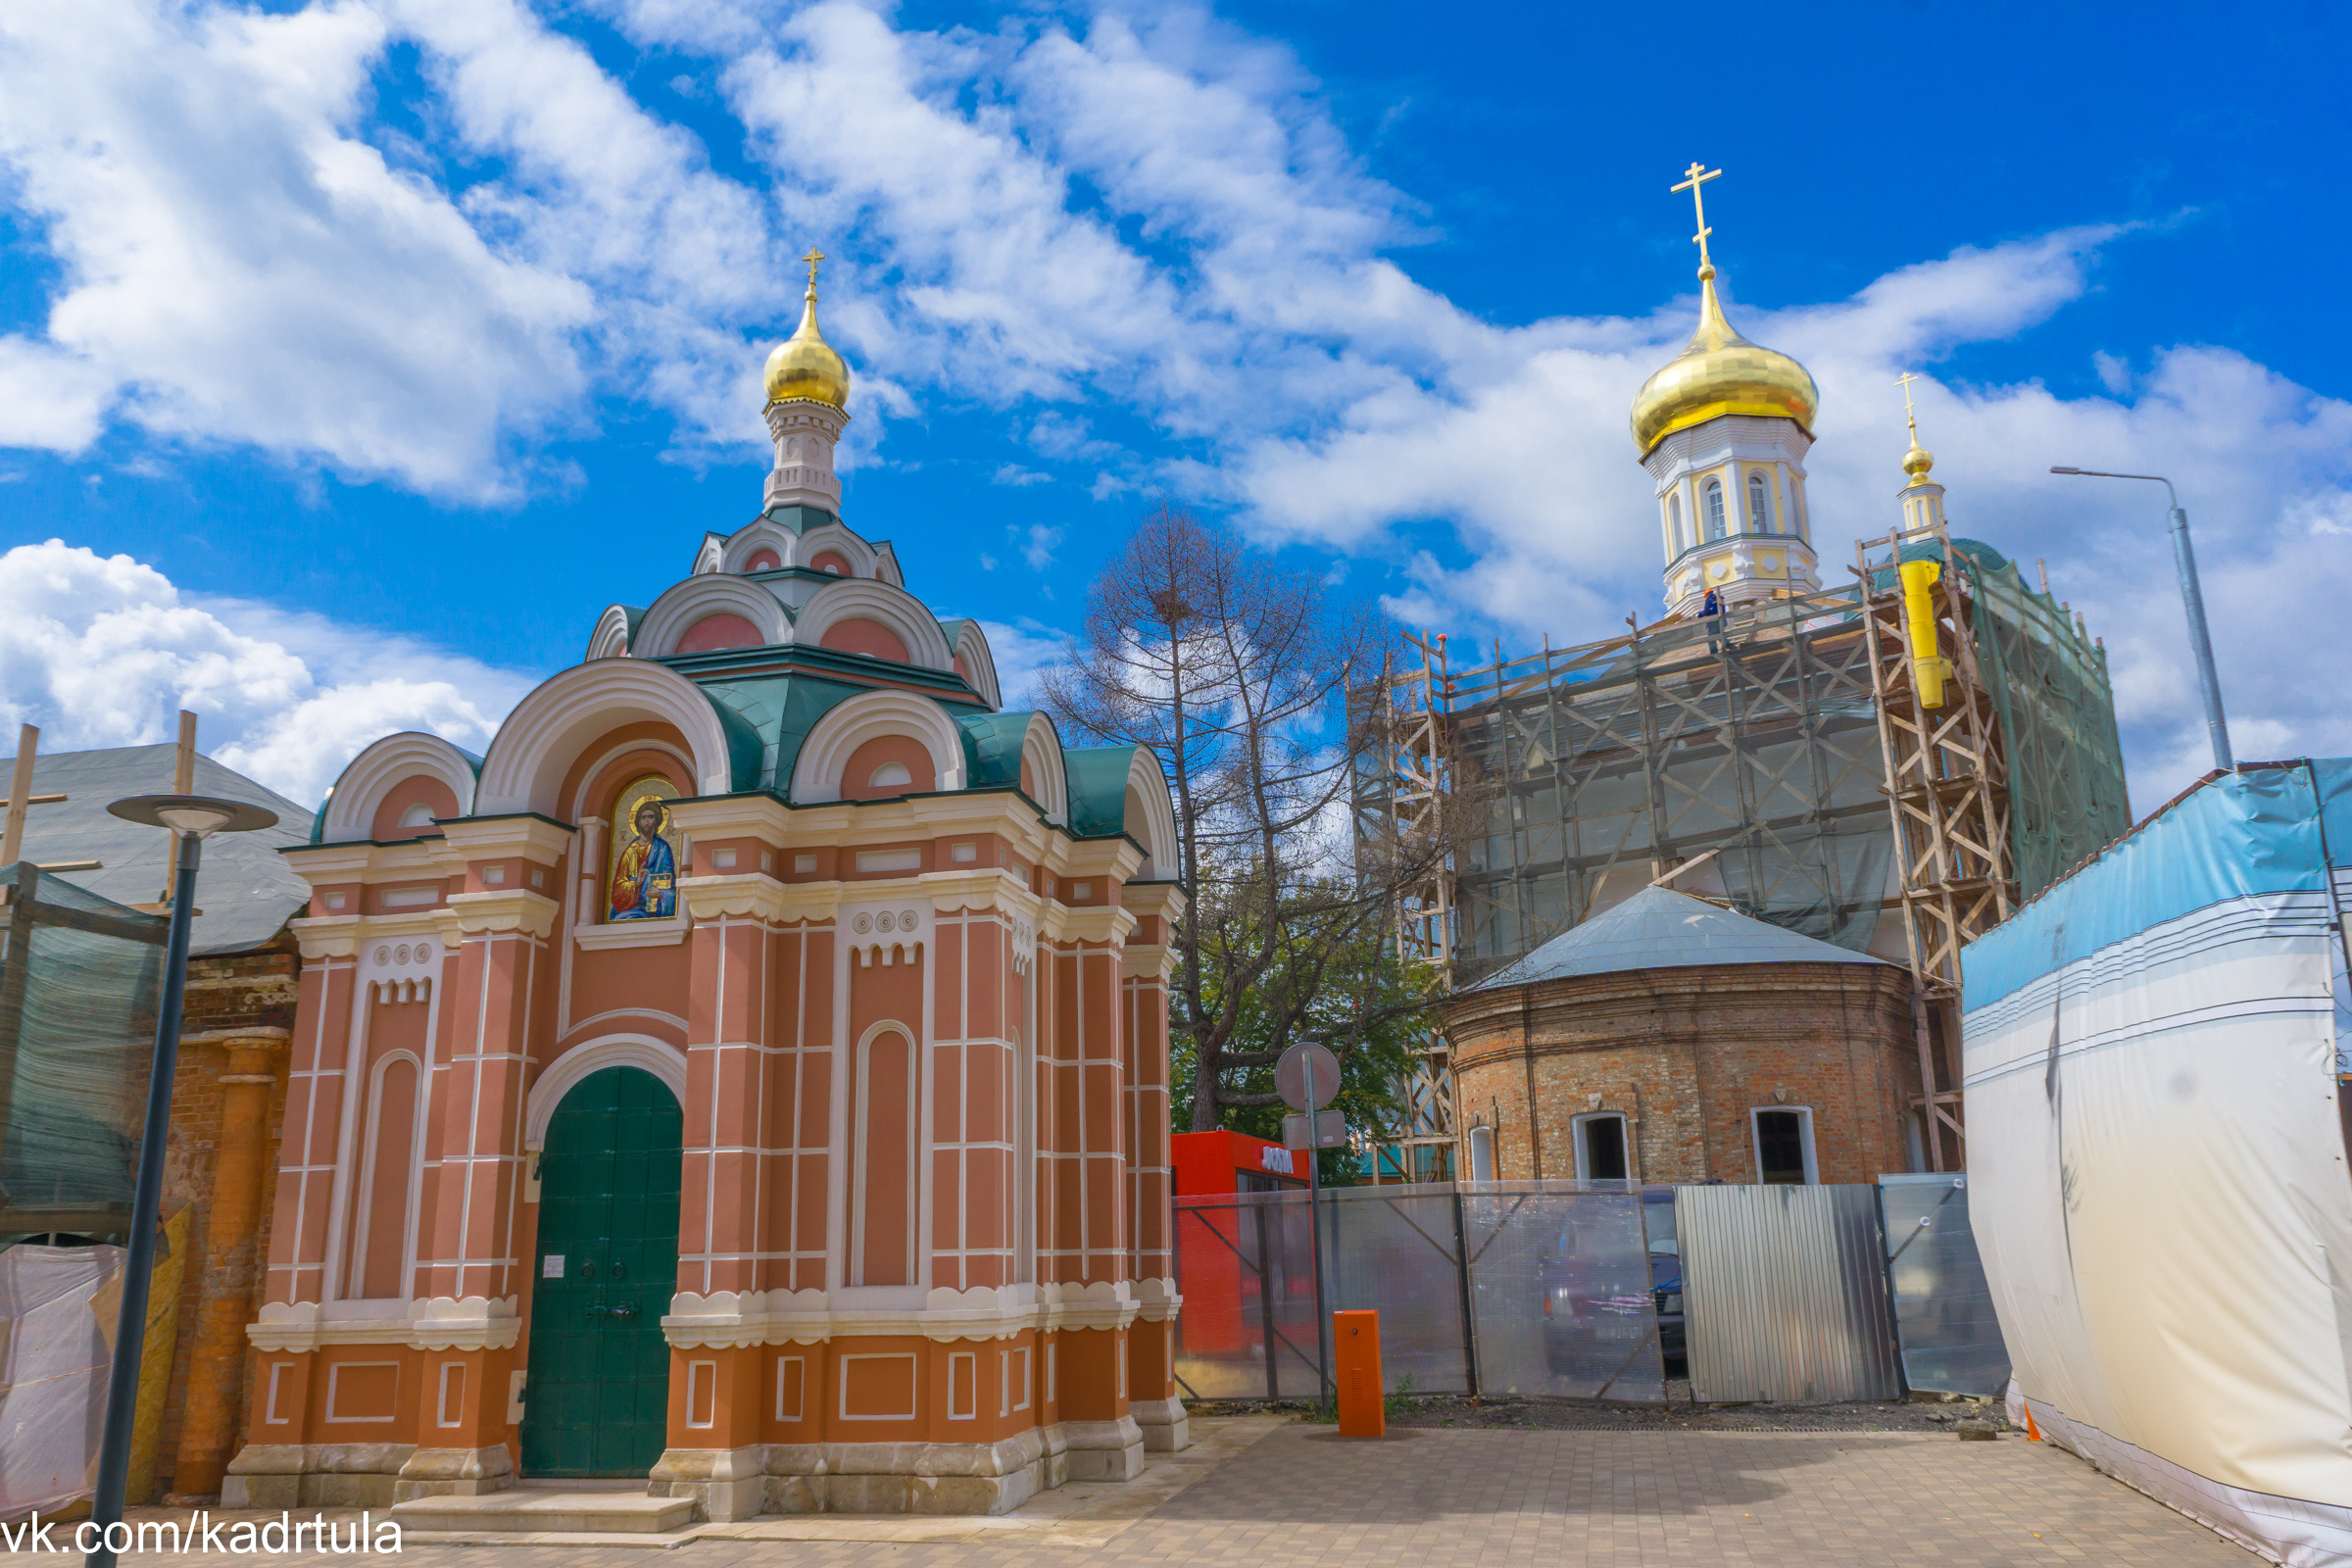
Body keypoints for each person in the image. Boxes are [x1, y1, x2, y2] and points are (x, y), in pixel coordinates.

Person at [608, 796, 677, 920]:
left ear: (656, 820)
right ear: (638, 821)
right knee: (623, 920)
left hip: (654, 906)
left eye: (651, 817)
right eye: (643, 817)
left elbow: (670, 885)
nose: (647, 821)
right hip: (631, 906)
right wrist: (637, 882)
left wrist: (660, 893)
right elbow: (617, 889)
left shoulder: (663, 849)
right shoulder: (630, 851)